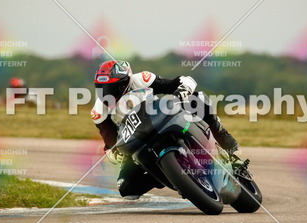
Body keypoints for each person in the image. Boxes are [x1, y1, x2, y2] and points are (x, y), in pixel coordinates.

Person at [91, 60, 239, 198]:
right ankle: (167, 177)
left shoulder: (141, 79)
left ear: (124, 83)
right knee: (125, 187)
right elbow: (110, 141)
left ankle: (228, 143)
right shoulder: (99, 111)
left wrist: (181, 91)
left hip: (161, 119)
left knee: (197, 100)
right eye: (101, 89)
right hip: (136, 141)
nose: (106, 94)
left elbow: (176, 83)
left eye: (110, 88)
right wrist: (114, 153)